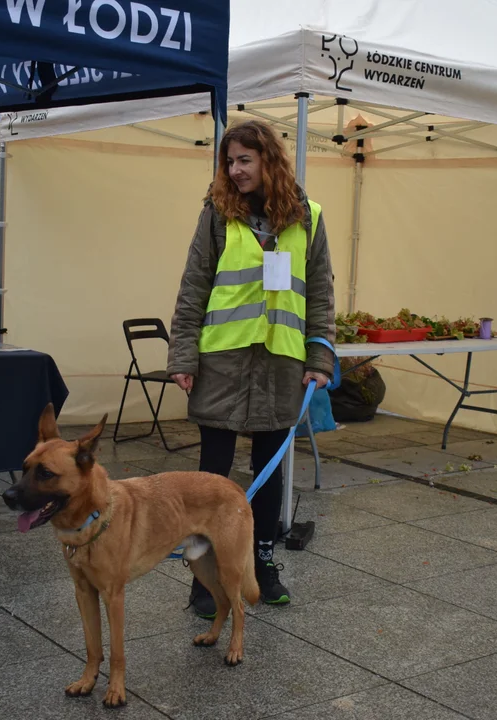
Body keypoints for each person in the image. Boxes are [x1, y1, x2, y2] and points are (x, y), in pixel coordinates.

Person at [167, 119, 336, 618]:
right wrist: (183, 357)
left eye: (245, 160)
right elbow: (194, 285)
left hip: (281, 365)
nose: (235, 170)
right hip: (222, 362)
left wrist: (320, 358)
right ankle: (204, 580)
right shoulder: (217, 213)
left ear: (269, 160)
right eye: (230, 161)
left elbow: (321, 293)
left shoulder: (310, 216)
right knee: (210, 479)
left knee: (269, 473)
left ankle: (263, 567)